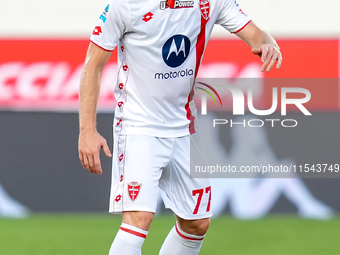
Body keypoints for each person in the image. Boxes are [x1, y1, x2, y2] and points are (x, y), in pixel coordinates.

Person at [78, 0, 282, 254]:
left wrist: (268, 44)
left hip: (184, 127)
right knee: (138, 219)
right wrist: (87, 129)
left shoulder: (210, 2)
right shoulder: (126, 5)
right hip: (139, 125)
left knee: (196, 224)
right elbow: (93, 65)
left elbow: (255, 34)